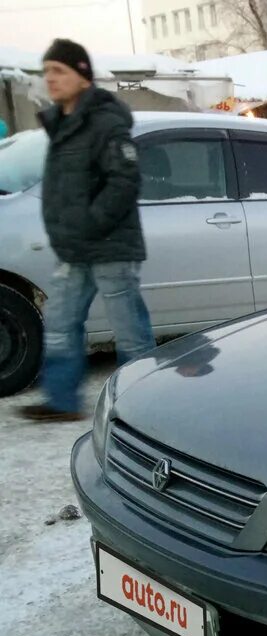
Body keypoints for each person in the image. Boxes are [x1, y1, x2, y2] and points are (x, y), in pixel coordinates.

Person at [20, 38, 154, 423]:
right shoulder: (63, 125)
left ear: (82, 75)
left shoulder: (106, 122)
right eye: (46, 72)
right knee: (61, 321)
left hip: (110, 246)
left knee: (129, 332)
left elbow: (124, 181)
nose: (51, 79)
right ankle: (62, 400)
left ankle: (140, 405)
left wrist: (90, 224)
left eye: (59, 71)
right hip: (75, 249)